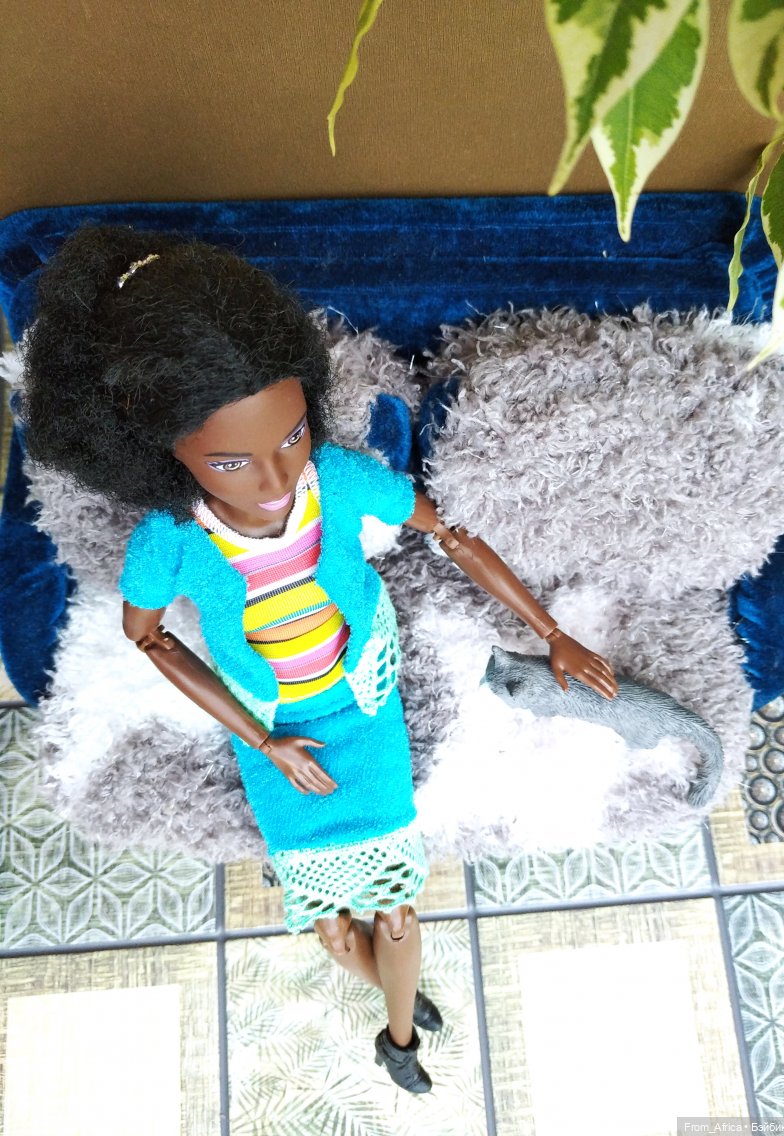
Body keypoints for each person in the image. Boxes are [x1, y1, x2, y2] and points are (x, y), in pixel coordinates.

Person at [22, 225, 618, 1094]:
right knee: (331, 924)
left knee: (397, 908)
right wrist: (263, 742)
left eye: (292, 435)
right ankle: (394, 1001)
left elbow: (449, 534)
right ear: (163, 452)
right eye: (230, 461)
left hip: (364, 701)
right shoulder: (170, 541)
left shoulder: (334, 479)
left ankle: (400, 1035)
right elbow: (147, 636)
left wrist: (552, 630)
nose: (273, 481)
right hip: (271, 728)